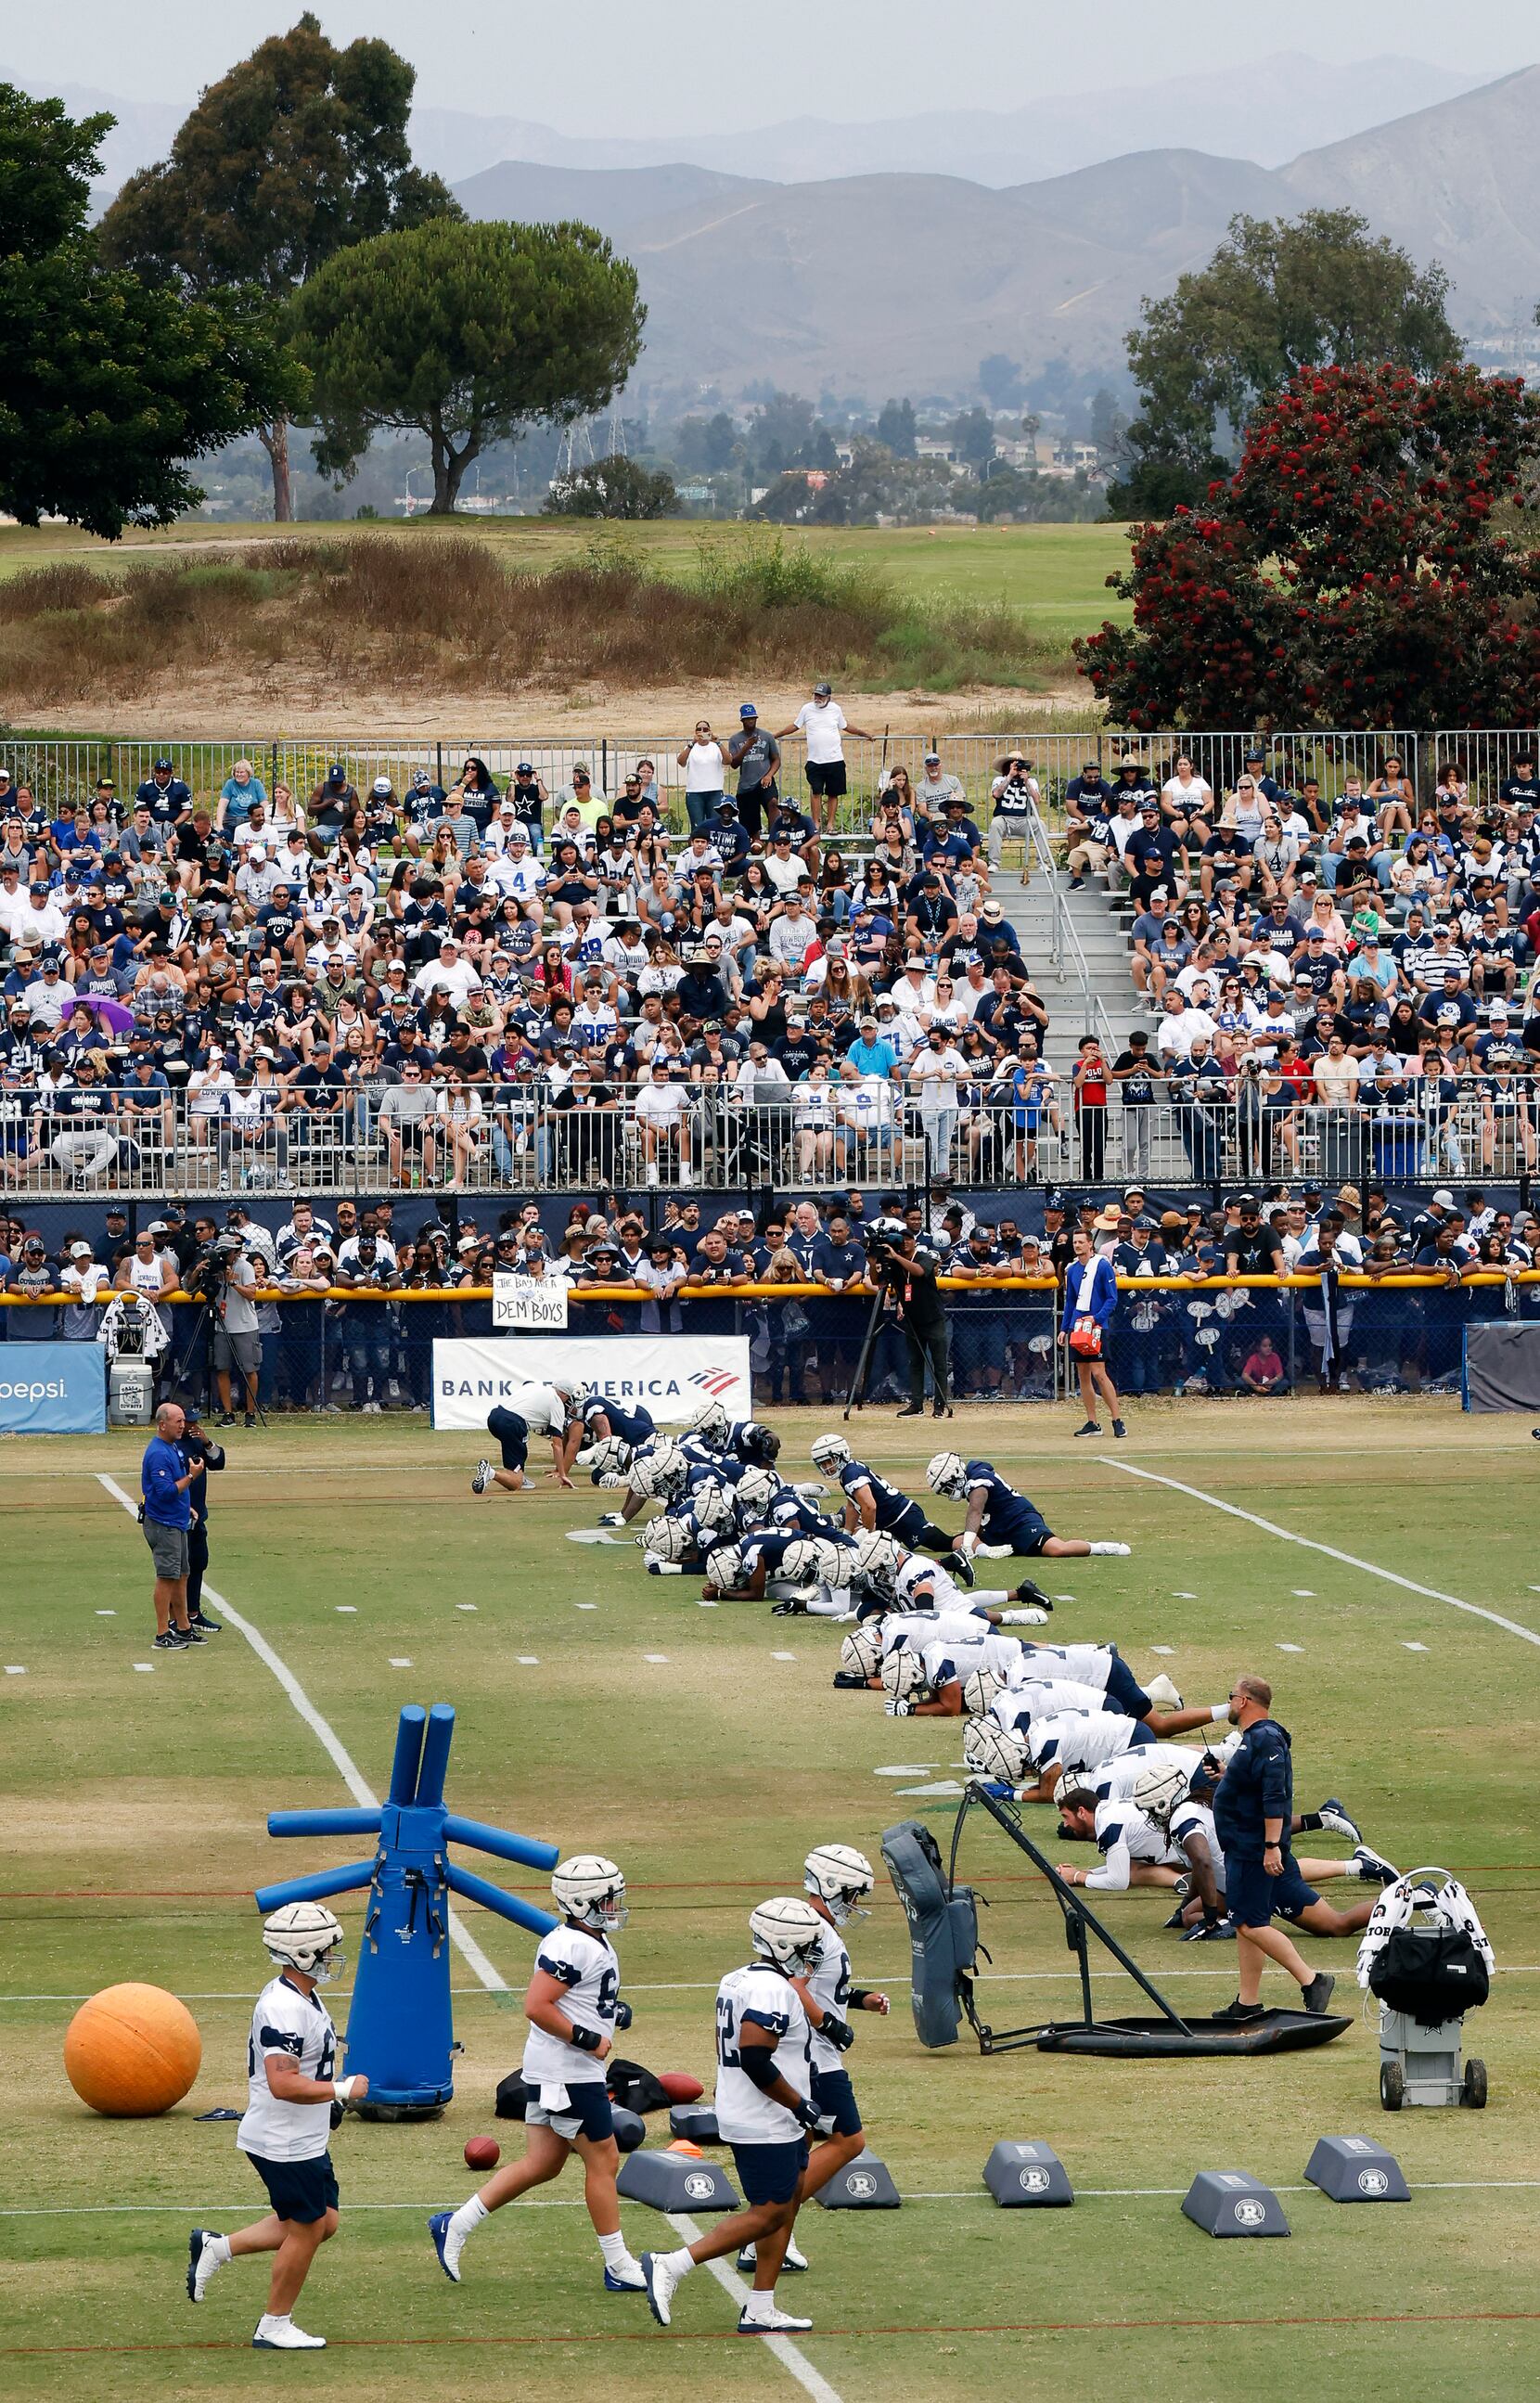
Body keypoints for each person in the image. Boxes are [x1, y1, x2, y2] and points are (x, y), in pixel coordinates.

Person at [430, 1857, 642, 2293]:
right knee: (603, 2160)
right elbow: (536, 2005)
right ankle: (618, 2264)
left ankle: (455, 2223)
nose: (615, 1906)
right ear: (582, 1901)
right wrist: (587, 2037)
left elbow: (574, 1997)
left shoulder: (584, 1938)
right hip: (568, 2072)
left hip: (557, 2069)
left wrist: (609, 2012)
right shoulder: (573, 1944)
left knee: (543, 2164)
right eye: (607, 1898)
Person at [186, 1901, 366, 2349]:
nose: (333, 1958)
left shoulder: (302, 1993)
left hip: (303, 2134)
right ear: (303, 1954)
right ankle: (274, 2324)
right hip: (283, 2141)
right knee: (307, 2227)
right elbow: (282, 2082)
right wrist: (340, 2091)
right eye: (326, 1950)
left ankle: (217, 2248)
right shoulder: (283, 2007)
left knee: (324, 2221)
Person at [642, 1897, 824, 2337]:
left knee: (783, 2208)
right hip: (766, 2116)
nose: (811, 1955)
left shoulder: (739, 1978)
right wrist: (799, 2105)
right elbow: (756, 2058)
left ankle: (761, 2306)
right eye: (805, 1946)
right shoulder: (773, 1989)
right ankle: (673, 2264)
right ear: (782, 1945)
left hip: (758, 2112)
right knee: (769, 2212)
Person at [1212, 1674, 1338, 2022]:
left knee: (1249, 1923)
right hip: (1246, 1845)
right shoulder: (1256, 1740)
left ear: (1245, 1701)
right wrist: (1227, 1776)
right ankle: (1247, 2002)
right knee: (1248, 1921)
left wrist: (1271, 1847)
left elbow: (1274, 1796)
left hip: (1254, 1848)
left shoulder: (1265, 1739)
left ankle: (1312, 1980)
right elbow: (1258, 1785)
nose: (1230, 1702)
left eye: (1232, 1696)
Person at [926, 1450, 1131, 1562]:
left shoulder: (978, 1480)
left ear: (955, 1475)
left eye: (947, 1487)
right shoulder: (973, 1478)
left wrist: (968, 1543)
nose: (948, 1493)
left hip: (1020, 1521)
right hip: (997, 1525)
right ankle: (987, 1551)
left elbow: (976, 1510)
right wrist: (968, 1543)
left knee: (1057, 1549)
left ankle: (1102, 1547)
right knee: (960, 1540)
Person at [139, 1399, 205, 1651]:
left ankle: (183, 1626)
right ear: (162, 1424)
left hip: (176, 1520)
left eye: (182, 1420)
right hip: (163, 1523)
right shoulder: (157, 1453)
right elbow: (166, 1491)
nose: (182, 1425)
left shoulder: (172, 1447)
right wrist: (191, 1476)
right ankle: (161, 1632)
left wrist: (185, 1506)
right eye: (177, 1421)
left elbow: (173, 1491)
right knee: (167, 1576)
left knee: (182, 1575)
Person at [776, 683, 874, 836]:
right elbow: (796, 725)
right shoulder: (806, 709)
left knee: (833, 793)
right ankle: (816, 824)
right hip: (815, 760)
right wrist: (776, 735)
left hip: (835, 759)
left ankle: (830, 824)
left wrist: (864, 734)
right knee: (816, 792)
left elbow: (845, 726)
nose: (817, 698)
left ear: (828, 696)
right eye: (816, 695)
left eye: (821, 695)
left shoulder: (836, 709)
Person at [1061, 1226, 1125, 1437]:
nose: (1077, 1245)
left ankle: (1117, 1419)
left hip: (1097, 1327)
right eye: (1075, 1242)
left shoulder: (1102, 1266)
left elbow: (1111, 1298)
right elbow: (1070, 1302)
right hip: (1078, 1327)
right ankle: (1092, 1422)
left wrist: (1097, 1318)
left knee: (1099, 1372)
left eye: (1081, 1242)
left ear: (1090, 1243)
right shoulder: (1072, 1270)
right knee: (1083, 1374)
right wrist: (1065, 1328)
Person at [471, 1382, 575, 1495]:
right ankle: (491, 1473)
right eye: (568, 1398)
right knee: (516, 1484)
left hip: (494, 1417)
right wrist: (562, 1474)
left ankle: (518, 1473)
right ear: (564, 1394)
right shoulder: (557, 1403)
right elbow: (557, 1445)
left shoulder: (534, 1386)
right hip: (512, 1424)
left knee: (518, 1445)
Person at [176, 1396, 225, 1636]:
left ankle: (193, 1613)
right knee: (179, 1568)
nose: (194, 1426)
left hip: (198, 1516)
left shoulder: (196, 1442)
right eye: (189, 1422)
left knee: (199, 1561)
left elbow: (219, 1462)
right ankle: (177, 1617)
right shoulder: (172, 1446)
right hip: (178, 1517)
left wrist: (207, 1443)